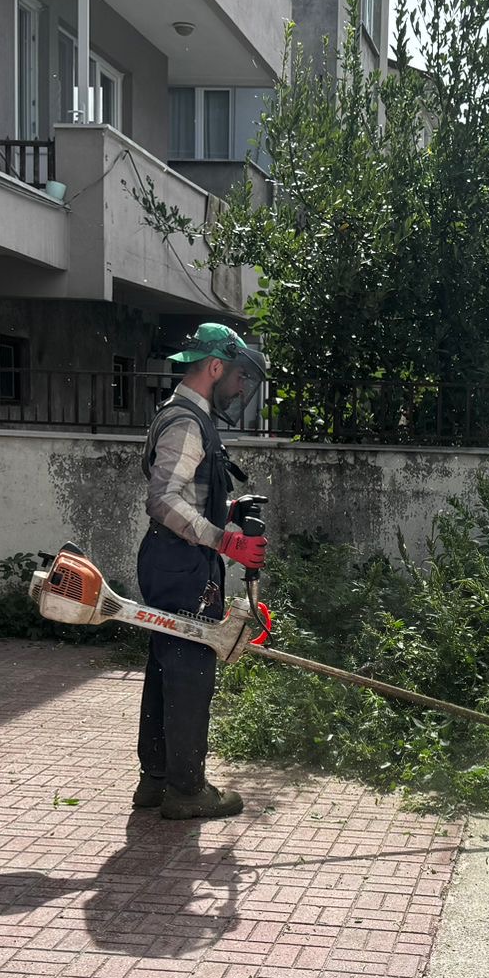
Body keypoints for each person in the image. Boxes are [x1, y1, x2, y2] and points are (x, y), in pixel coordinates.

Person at [134, 322, 270, 820]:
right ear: (215, 367)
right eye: (237, 375)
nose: (240, 386)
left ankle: (157, 781)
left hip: (173, 558)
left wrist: (228, 510)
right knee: (190, 671)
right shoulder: (188, 421)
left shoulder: (187, 416)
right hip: (182, 562)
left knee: (167, 665)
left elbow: (187, 494)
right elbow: (163, 498)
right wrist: (224, 539)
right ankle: (187, 790)